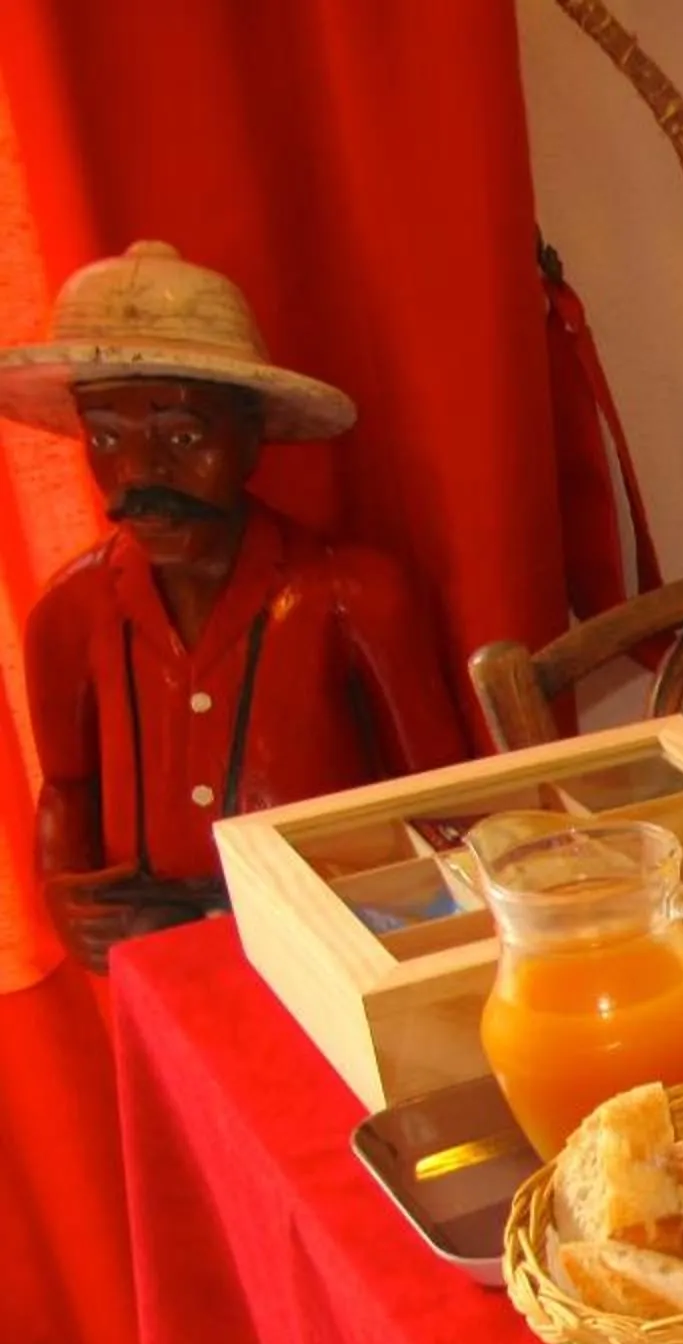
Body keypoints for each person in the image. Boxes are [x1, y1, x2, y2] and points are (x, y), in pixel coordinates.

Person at [0, 240, 469, 972]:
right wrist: (64, 895)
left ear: (252, 437)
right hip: (159, 955)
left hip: (335, 938)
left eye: (183, 436)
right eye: (106, 438)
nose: (140, 473)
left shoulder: (353, 595)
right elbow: (67, 788)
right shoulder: (69, 614)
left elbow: (445, 799)